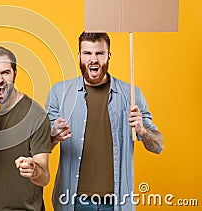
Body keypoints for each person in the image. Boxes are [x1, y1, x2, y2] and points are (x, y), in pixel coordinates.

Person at [46, 32, 164, 211]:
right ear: (79, 56)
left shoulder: (131, 95)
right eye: (87, 53)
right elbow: (42, 146)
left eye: (99, 53)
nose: (93, 59)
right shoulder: (60, 93)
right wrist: (53, 135)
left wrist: (142, 130)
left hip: (116, 203)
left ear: (108, 56)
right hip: (73, 201)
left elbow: (158, 146)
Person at [0, 46, 52, 211]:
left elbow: (44, 178)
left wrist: (34, 169)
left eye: (5, 73)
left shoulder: (36, 116)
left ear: (15, 74)